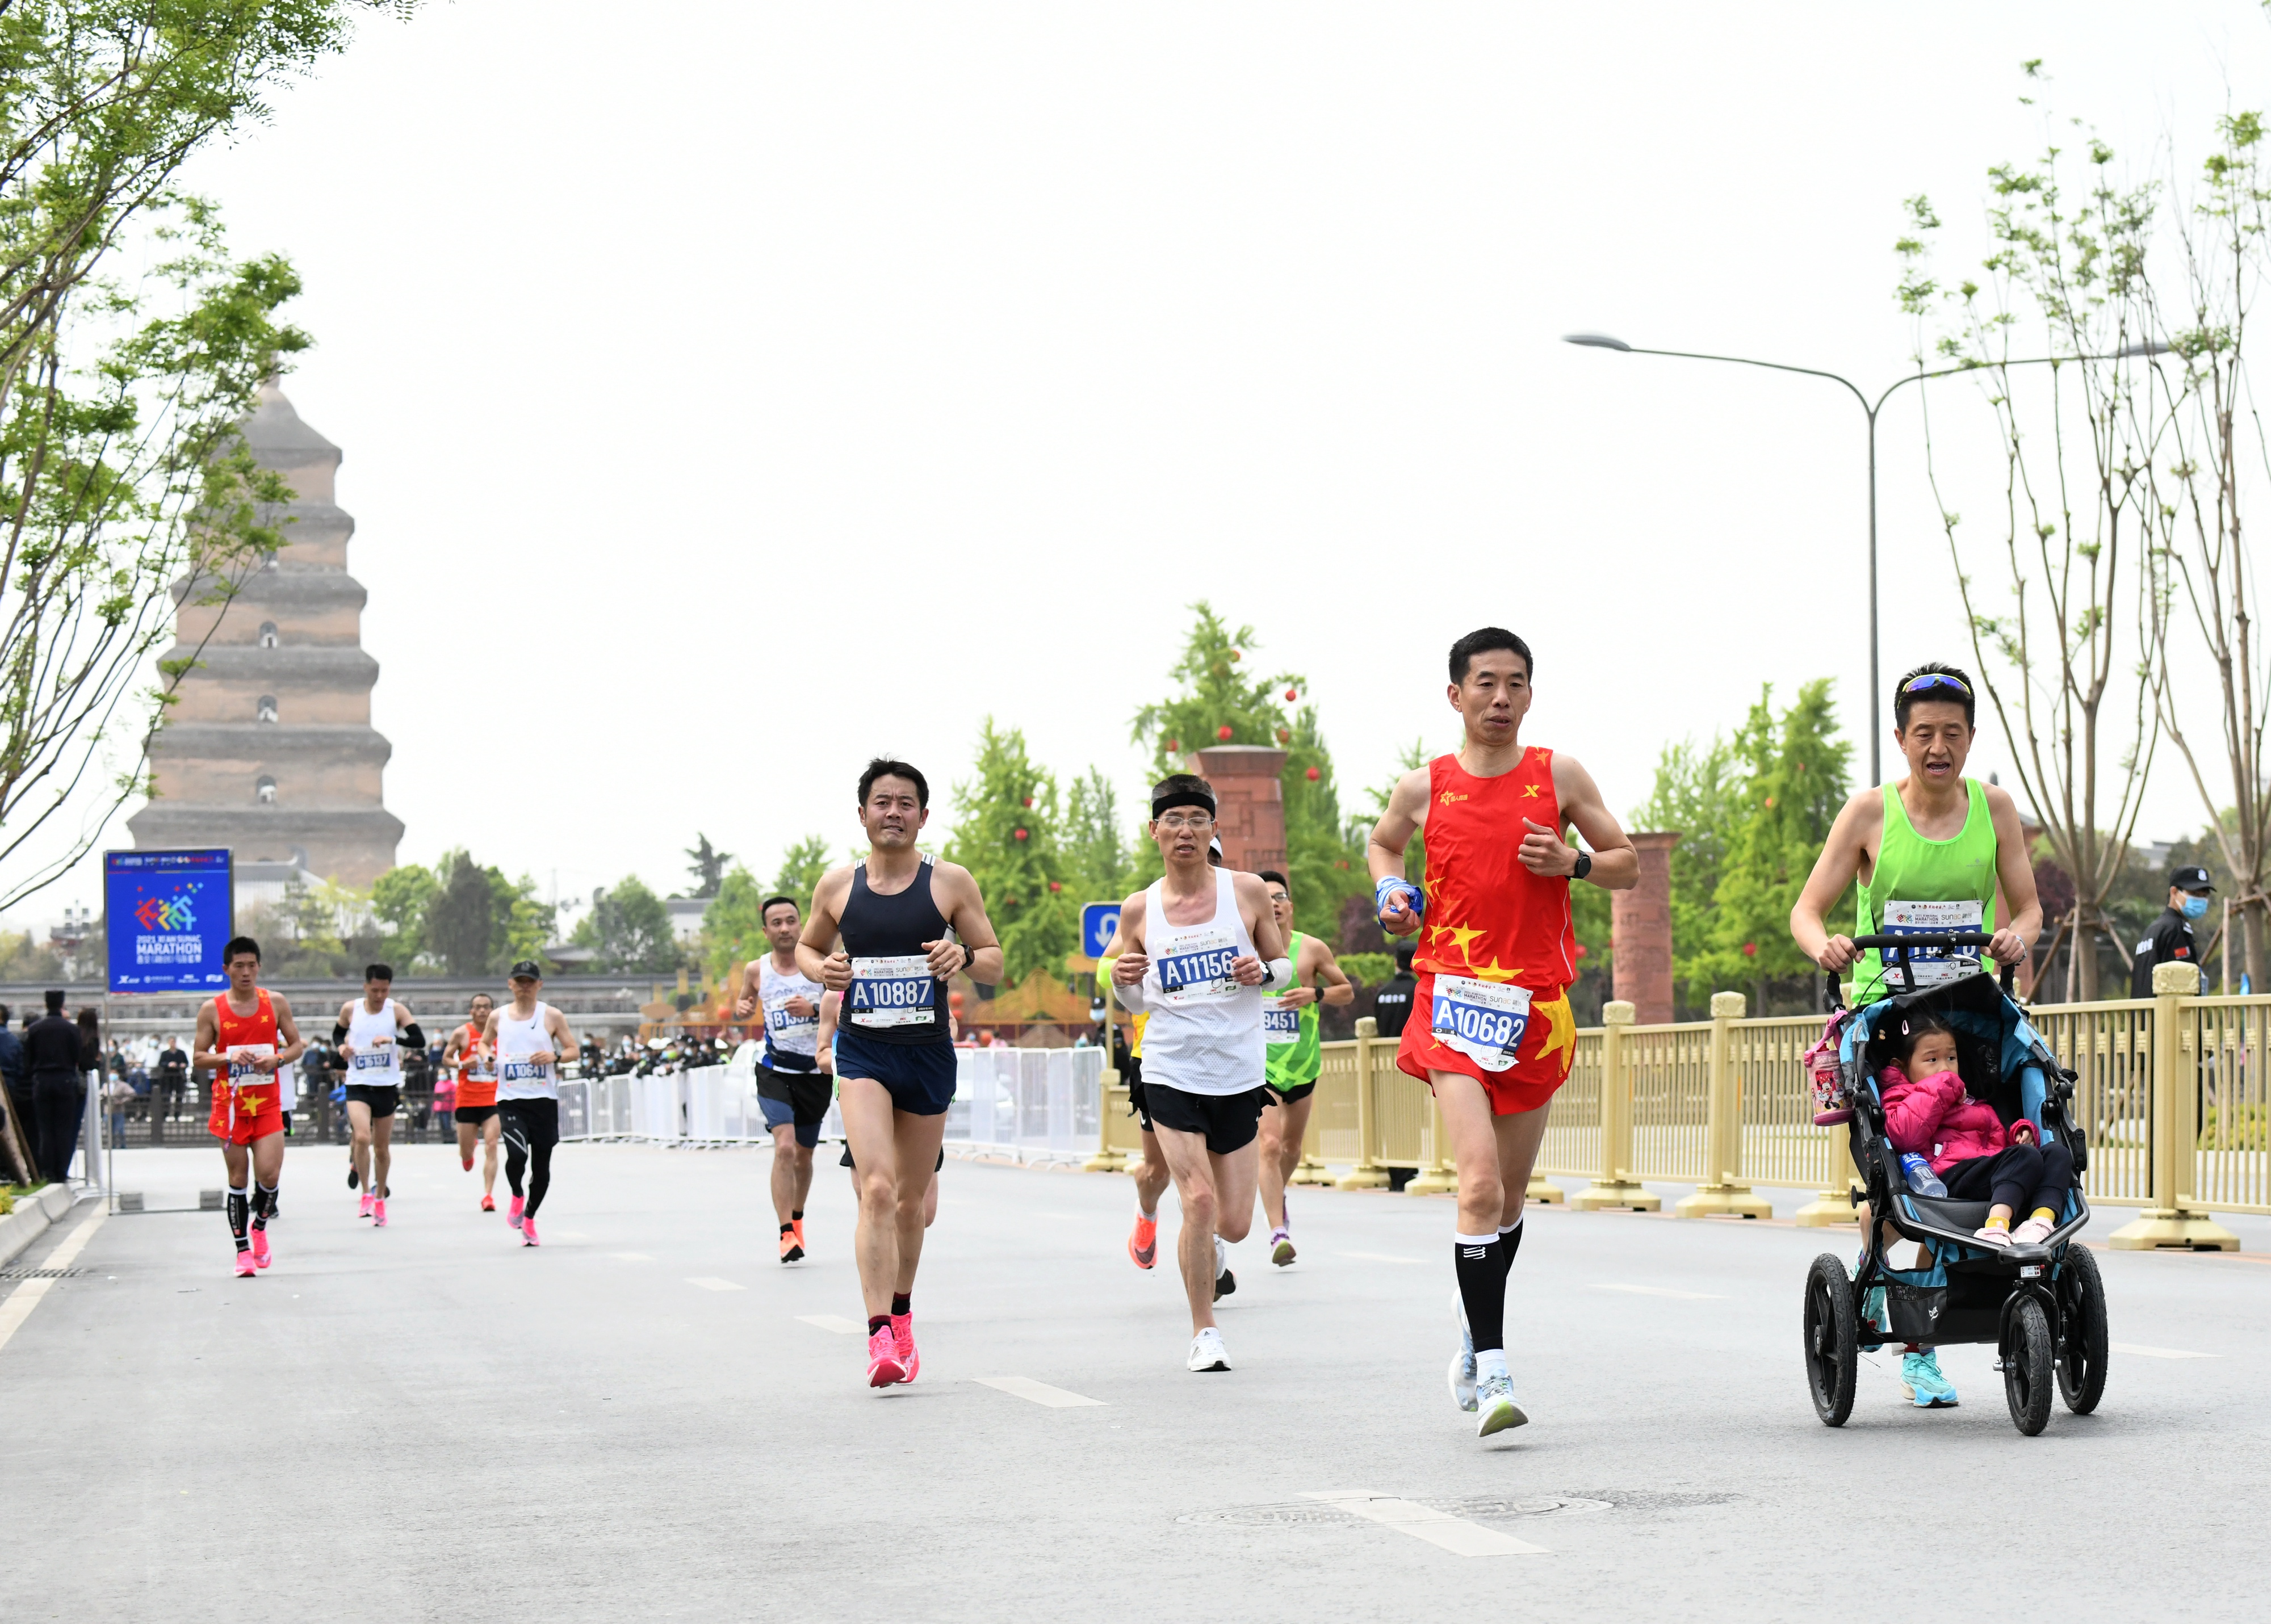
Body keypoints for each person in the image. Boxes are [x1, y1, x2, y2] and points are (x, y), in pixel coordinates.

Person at [1368, 627, 1640, 1437]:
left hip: (1536, 1010)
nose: (1500, 698)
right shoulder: (1426, 786)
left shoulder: (1557, 775)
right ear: (1455, 695)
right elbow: (1385, 843)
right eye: (1485, 684)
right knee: (1478, 1183)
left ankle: (1469, 1325)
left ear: (1530, 694)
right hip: (1451, 998)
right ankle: (1493, 1369)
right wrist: (1391, 890)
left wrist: (1576, 864)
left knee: (1511, 1196)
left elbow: (1625, 859)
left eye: (1515, 684)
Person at [1790, 660, 2042, 1409]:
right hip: (1887, 1016)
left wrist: (2017, 938)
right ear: (1900, 739)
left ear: (1969, 740)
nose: (1939, 746)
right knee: (1902, 1175)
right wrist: (1824, 946)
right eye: (1924, 733)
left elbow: (2027, 909)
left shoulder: (1994, 808)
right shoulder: (1869, 813)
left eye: (1952, 734)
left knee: (1988, 1127)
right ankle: (1915, 1343)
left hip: (1967, 1010)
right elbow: (1809, 909)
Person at [798, 758, 1004, 1388]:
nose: (893, 811)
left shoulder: (949, 882)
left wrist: (961, 953)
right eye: (882, 801)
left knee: (912, 1202)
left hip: (927, 1054)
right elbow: (808, 948)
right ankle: (878, 1334)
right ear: (862, 814)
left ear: (922, 815)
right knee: (878, 1189)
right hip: (864, 1052)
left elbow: (994, 962)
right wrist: (821, 970)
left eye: (905, 802)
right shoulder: (838, 886)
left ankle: (903, 1310)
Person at [1104, 773, 1290, 1373]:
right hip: (1169, 1066)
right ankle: (1203, 1330)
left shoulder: (1246, 893)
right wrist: (1123, 977)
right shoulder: (1140, 907)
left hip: (1236, 1071)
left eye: (1196, 819)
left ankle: (1203, 1239)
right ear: (1154, 830)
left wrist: (1261, 973)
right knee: (1199, 1197)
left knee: (1233, 1223)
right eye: (1173, 819)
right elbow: (1130, 998)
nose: (1184, 830)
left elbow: (1282, 965)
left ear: (1213, 829)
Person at [1881, 1014, 2074, 1247]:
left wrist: (2021, 1134)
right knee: (2024, 1158)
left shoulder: (1972, 1102)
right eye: (1932, 1060)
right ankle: (1995, 1227)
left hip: (1986, 1172)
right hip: (1944, 1176)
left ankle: (2040, 1223)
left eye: (1951, 1058)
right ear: (1901, 1066)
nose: (1945, 1067)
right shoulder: (1899, 1097)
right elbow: (1906, 1137)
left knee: (2058, 1153)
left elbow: (1999, 1146)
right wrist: (1946, 1085)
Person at [1254, 869, 1354, 1267]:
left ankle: (1277, 1195)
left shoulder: (1311, 949)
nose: (1274, 903)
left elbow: (1346, 991)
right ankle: (1278, 1231)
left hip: (1303, 1063)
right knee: (1270, 1144)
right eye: (1265, 897)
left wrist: (1314, 993)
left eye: (1280, 896)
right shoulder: (1246, 950)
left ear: (1290, 906)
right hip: (1260, 1067)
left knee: (1292, 1148)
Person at [192, 939, 307, 1275]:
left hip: (268, 1103)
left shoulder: (275, 1003)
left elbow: (297, 1044)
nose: (246, 972)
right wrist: (228, 1056)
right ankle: (243, 1252)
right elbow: (198, 1058)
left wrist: (279, 1057)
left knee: (269, 1175)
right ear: (226, 969)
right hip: (229, 1106)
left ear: (259, 967)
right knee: (238, 1178)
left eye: (252, 965)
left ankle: (260, 1227)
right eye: (238, 966)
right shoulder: (211, 1009)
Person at [735, 896, 832, 1262]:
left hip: (815, 1073)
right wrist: (744, 1007)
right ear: (766, 931)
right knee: (786, 1147)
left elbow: (845, 1006)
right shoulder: (757, 970)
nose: (785, 928)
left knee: (804, 1157)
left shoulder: (820, 967)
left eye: (791, 920)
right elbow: (744, 1004)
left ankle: (797, 1219)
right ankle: (785, 1233)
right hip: (775, 1070)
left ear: (801, 924)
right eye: (777, 923)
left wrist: (813, 1011)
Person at [483, 960, 580, 1247]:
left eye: (530, 981)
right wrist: (488, 1058)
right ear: (510, 984)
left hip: (543, 1100)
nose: (525, 986)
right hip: (510, 1098)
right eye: (519, 981)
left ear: (539, 985)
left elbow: (573, 1049)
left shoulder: (552, 1016)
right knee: (516, 1154)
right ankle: (516, 1194)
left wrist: (555, 1057)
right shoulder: (498, 1017)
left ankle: (530, 1216)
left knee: (541, 1166)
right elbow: (484, 1043)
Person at [334, 964, 424, 1227]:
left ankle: (380, 1196)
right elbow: (338, 1032)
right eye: (375, 990)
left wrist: (393, 1039)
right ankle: (365, 1193)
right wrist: (342, 1047)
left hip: (386, 1085)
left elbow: (418, 1040)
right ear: (365, 987)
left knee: (382, 1148)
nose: (379, 996)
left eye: (384, 990)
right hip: (359, 1083)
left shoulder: (396, 1010)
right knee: (362, 1137)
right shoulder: (351, 1009)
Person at [442, 993, 502, 1210]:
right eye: (478, 1007)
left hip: (492, 1099)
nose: (483, 1011)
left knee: (493, 1144)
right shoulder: (462, 1033)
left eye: (487, 1007)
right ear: (471, 1011)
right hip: (467, 1100)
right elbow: (446, 1058)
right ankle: (468, 1152)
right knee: (466, 1154)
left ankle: (488, 1196)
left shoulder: (502, 1034)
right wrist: (462, 1065)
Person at [22, 992, 85, 1185]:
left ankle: (48, 1171)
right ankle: (61, 1171)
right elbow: (78, 1057)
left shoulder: (34, 1030)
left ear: (46, 1004)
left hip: (42, 1081)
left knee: (45, 1129)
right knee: (64, 1129)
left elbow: (28, 1060)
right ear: (62, 1004)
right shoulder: (71, 1030)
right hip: (65, 1081)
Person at [2132, 866, 2214, 997]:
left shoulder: (2153, 929)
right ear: (2174, 892)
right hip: (2166, 1015)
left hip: (2142, 1015)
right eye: (2194, 894)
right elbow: (2183, 983)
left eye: (2204, 896)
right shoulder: (2176, 930)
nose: (2200, 900)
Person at [1371, 944, 1417, 1039]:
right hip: (1410, 1050)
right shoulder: (1418, 991)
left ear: (1396, 962)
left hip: (1384, 1052)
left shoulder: (1383, 993)